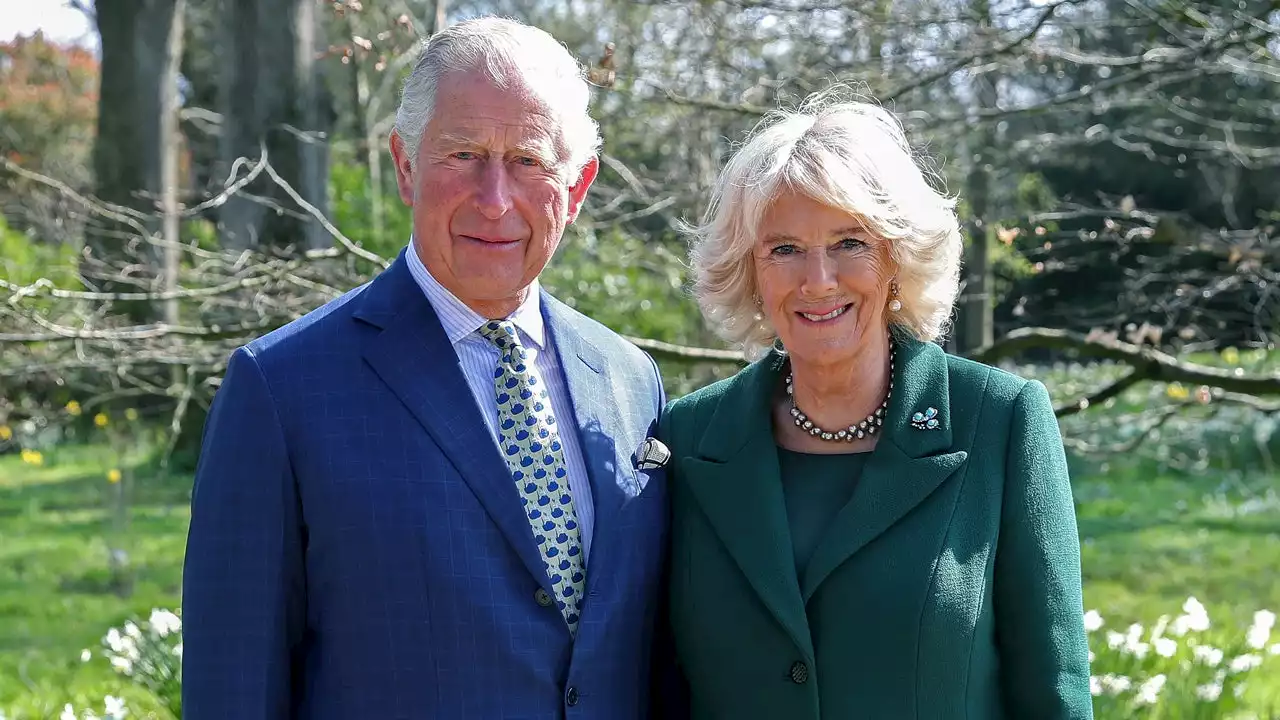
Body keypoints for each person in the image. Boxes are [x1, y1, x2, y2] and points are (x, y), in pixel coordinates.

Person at [181, 17, 674, 719]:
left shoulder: (629, 382)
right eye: (464, 154)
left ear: (578, 184)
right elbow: (234, 688)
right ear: (406, 166)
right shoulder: (281, 390)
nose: (495, 197)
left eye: (528, 161)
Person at [659, 87, 1093, 719]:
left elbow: (1055, 698)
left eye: (850, 242)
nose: (818, 280)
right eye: (784, 248)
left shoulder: (1000, 422)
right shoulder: (687, 439)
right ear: (749, 271)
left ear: (897, 256)